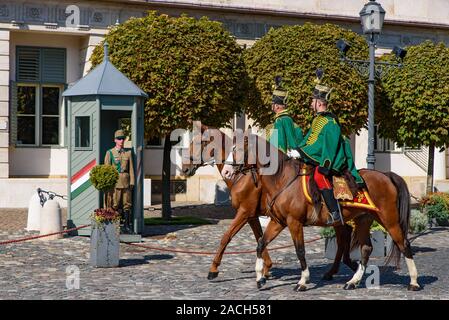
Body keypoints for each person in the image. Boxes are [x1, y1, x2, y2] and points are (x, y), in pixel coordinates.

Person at [296, 69, 363, 225]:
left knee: (319, 175)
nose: (310, 103)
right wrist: (299, 150)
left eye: (312, 100)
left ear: (319, 102)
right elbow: (311, 140)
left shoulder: (330, 122)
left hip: (332, 160)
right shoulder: (318, 120)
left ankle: (335, 212)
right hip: (322, 157)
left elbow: (330, 147)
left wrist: (325, 165)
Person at [104, 129, 135, 234]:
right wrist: (108, 183)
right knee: (115, 204)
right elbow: (107, 169)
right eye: (119, 139)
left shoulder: (128, 153)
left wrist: (132, 181)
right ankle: (115, 227)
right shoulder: (110, 153)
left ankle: (126, 226)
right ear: (115, 140)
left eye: (122, 138)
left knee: (127, 204)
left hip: (126, 182)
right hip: (116, 183)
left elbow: (131, 168)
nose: (121, 141)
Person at [266, 76, 303, 155]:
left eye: (272, 104)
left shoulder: (280, 120)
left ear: (277, 106)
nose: (271, 105)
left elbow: (279, 143)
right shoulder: (287, 119)